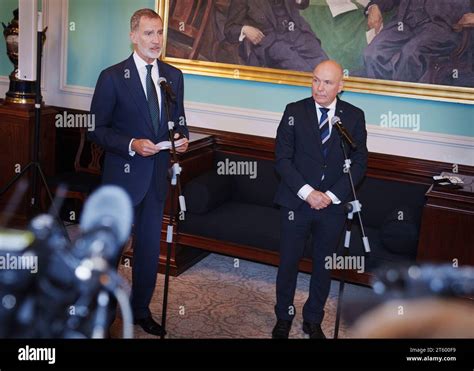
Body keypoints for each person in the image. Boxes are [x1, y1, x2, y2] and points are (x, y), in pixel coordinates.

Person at [89, 8, 189, 336]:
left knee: (148, 251)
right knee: (111, 250)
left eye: (159, 32)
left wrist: (180, 138)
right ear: (133, 36)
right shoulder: (113, 77)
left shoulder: (173, 77)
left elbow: (179, 122)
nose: (156, 39)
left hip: (157, 178)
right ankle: (101, 311)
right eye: (148, 33)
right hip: (122, 179)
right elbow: (95, 129)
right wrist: (132, 143)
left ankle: (141, 310)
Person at [273, 60, 368, 339]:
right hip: (297, 204)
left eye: (327, 82)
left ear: (341, 86)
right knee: (288, 263)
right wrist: (308, 192)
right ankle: (283, 317)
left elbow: (359, 161)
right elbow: (282, 159)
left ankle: (313, 319)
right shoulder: (294, 111)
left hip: (332, 208)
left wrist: (330, 195)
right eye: (316, 80)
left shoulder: (353, 116)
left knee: (324, 266)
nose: (320, 87)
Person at [363, 0, 471, 83]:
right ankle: (381, 101)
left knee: (411, 53)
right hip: (404, 22)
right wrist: (375, 6)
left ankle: (403, 105)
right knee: (372, 53)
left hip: (443, 25)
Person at [224, 0, 328, 71]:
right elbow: (229, 29)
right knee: (303, 70)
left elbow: (303, 4)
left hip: (297, 33)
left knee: (325, 66)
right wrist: (245, 29)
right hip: (271, 43)